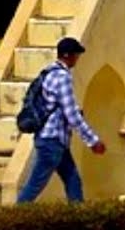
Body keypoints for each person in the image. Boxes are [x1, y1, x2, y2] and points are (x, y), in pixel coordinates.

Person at [15, 37, 108, 204]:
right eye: (76, 55)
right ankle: (12, 222)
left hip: (54, 139)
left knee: (73, 181)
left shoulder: (48, 73)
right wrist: (93, 140)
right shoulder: (62, 77)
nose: (77, 59)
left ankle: (79, 221)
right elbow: (71, 114)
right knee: (34, 186)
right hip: (52, 140)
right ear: (69, 56)